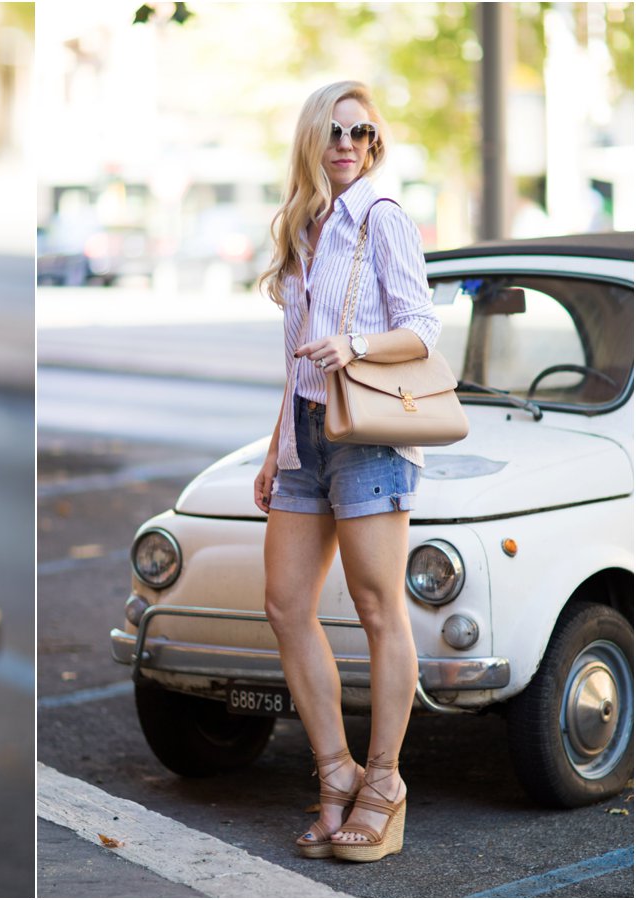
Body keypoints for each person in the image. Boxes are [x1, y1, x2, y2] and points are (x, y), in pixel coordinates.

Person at [254, 81, 441, 863]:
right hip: (305, 431)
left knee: (375, 607)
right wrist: (274, 446)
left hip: (367, 432)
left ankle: (385, 782)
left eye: (361, 131)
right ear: (313, 138)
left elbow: (423, 329)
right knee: (285, 603)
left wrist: (356, 347)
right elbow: (296, 353)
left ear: (374, 144)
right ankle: (336, 773)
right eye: (334, 129)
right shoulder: (304, 227)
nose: (347, 143)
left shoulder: (383, 220)